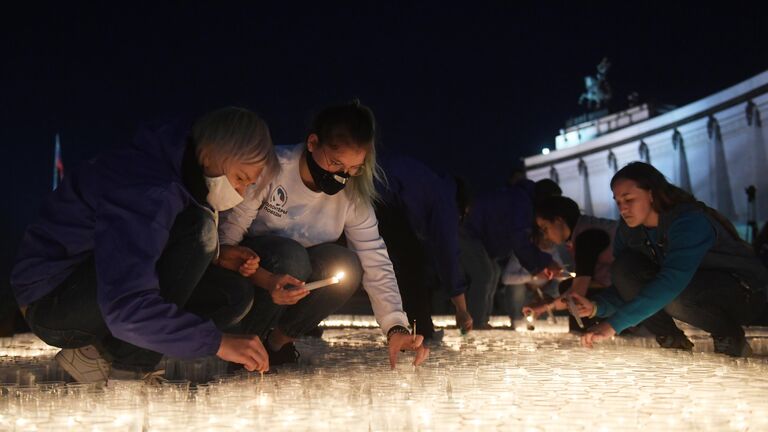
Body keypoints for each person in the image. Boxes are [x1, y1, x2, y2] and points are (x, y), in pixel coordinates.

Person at [10, 107, 280, 383]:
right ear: (209, 153)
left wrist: (217, 256)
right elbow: (125, 303)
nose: (242, 193)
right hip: (54, 303)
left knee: (231, 293)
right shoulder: (149, 188)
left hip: (94, 290)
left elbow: (142, 251)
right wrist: (219, 343)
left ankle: (100, 355)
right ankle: (131, 371)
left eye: (249, 185)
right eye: (240, 179)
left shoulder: (183, 180)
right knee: (199, 231)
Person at [216, 100, 429, 369]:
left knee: (346, 265)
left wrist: (395, 327)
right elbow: (227, 240)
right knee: (292, 257)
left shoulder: (353, 196)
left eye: (353, 169)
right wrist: (261, 276)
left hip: (300, 277)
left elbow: (374, 258)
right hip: (255, 271)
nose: (342, 176)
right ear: (313, 142)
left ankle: (277, 344)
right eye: (335, 163)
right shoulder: (272, 167)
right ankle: (247, 343)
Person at [573, 162, 768, 357]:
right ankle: (672, 342)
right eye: (618, 202)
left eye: (629, 199)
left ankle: (728, 335)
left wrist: (614, 324)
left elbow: (672, 280)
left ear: (651, 195)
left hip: (745, 292)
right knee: (624, 267)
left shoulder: (689, 222)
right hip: (689, 289)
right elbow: (628, 284)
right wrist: (597, 307)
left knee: (674, 295)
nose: (623, 208)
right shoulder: (629, 232)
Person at [375, 154, 472, 338]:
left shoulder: (431, 186)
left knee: (408, 262)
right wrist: (461, 308)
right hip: (384, 199)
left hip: (376, 191)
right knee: (412, 264)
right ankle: (423, 332)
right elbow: (448, 254)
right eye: (462, 216)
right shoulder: (445, 199)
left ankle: (419, 327)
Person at [461, 178, 563, 328]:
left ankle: (481, 320)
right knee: (484, 274)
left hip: (479, 237)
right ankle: (476, 324)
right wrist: (545, 263)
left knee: (492, 272)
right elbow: (519, 240)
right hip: (470, 232)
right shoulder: (521, 203)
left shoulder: (522, 200)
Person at [523, 196, 617, 331]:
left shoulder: (587, 238)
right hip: (621, 281)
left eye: (545, 228)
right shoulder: (585, 229)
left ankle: (584, 335)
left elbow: (577, 292)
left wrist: (545, 307)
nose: (545, 235)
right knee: (567, 286)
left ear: (558, 220)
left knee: (571, 293)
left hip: (633, 284)